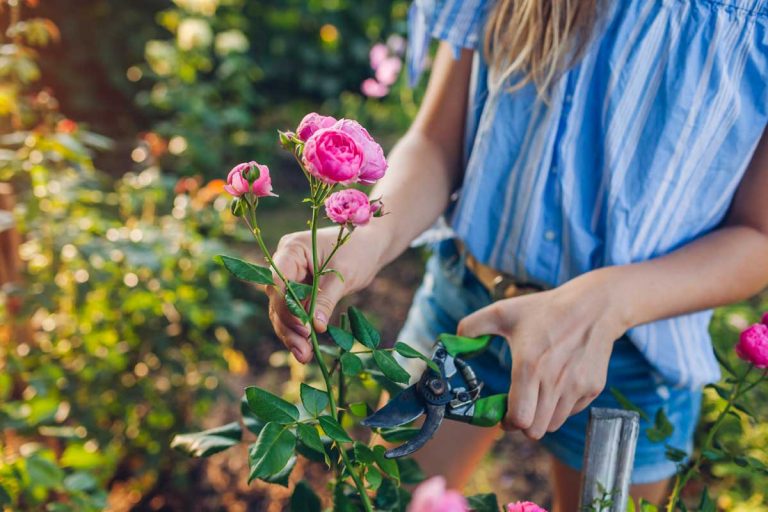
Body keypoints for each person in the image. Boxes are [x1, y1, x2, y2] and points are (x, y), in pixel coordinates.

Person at [266, 0, 768, 509]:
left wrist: (607, 302)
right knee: (386, 501)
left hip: (632, 353)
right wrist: (367, 234)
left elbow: (759, 235)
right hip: (465, 309)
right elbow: (440, 143)